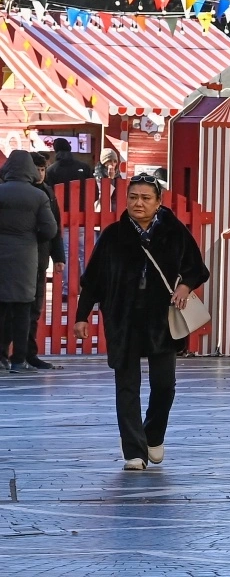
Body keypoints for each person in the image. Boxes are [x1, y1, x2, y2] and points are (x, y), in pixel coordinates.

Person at [73, 174, 209, 468]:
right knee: (127, 386)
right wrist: (82, 316)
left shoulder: (174, 232)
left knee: (164, 384)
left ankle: (154, 435)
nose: (138, 203)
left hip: (162, 319)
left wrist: (185, 285)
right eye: (133, 197)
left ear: (159, 202)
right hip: (123, 318)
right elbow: (93, 280)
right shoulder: (113, 235)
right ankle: (134, 450)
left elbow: (197, 267)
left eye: (146, 198)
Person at [0, 151, 59, 374]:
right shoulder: (38, 196)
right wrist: (33, 235)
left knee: (1, 308)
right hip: (26, 257)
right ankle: (19, 359)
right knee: (24, 309)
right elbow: (50, 229)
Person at [28, 152, 65, 369]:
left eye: (43, 169)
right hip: (22, 257)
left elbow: (55, 227)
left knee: (35, 307)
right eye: (36, 169)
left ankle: (28, 353)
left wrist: (58, 257)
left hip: (41, 258)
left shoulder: (47, 192)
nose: (40, 173)